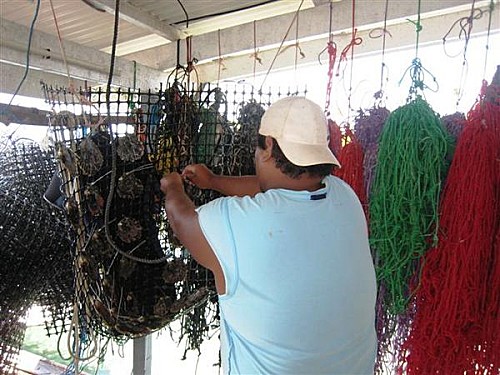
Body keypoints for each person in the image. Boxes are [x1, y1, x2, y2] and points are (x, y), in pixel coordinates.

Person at [160, 96, 377, 374]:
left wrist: (173, 186)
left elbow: (182, 220)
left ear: (269, 146)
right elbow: (280, 192)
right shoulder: (344, 197)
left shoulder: (236, 223)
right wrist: (214, 181)